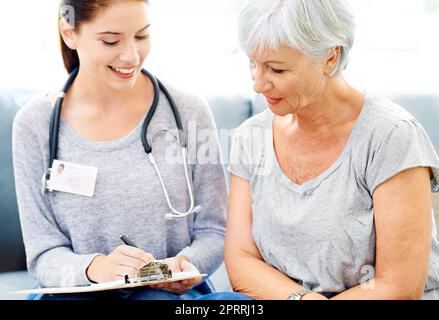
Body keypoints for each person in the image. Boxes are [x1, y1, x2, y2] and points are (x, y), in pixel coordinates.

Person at [222, 0, 439, 300]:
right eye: (252, 63)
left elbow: (399, 286)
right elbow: (241, 259)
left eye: (276, 69)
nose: (258, 84)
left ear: (329, 57)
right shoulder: (251, 137)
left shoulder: (392, 137)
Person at [12, 0, 227, 300]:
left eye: (142, 36)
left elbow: (216, 232)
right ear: (69, 33)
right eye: (110, 40)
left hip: (164, 294)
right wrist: (95, 268)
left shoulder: (189, 112)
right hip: (75, 294)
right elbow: (43, 253)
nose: (132, 55)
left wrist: (183, 266)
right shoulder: (34, 124)